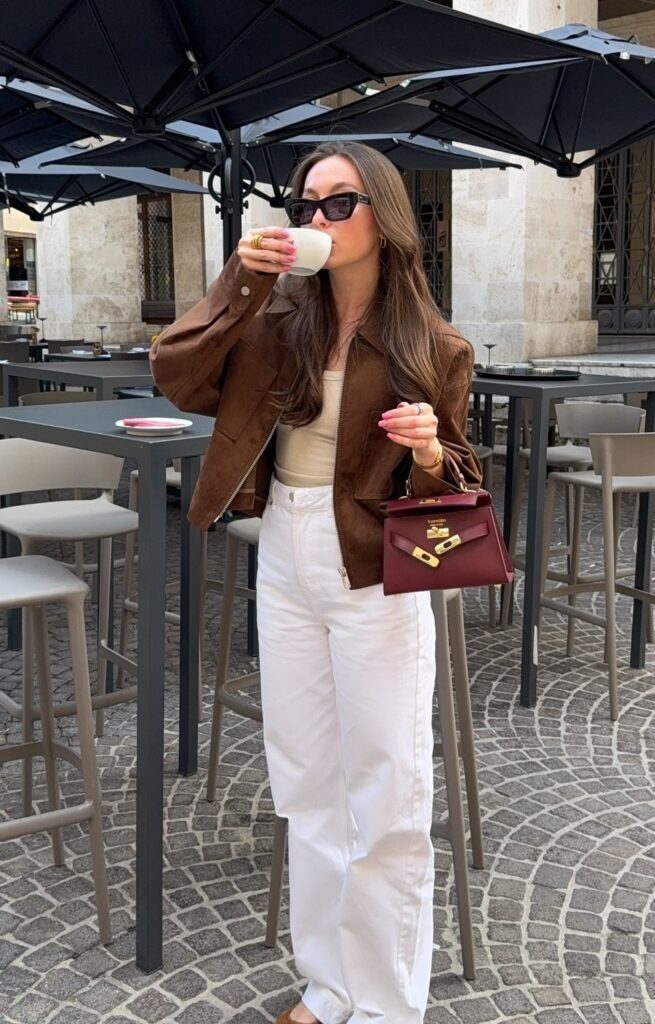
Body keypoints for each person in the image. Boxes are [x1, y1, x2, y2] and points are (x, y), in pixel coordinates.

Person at [151, 141, 481, 1024]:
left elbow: (454, 483)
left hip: (374, 563)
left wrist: (423, 449)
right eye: (308, 204)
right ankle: (328, 986)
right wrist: (239, 281)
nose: (319, 220)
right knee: (305, 781)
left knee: (386, 786)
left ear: (383, 215)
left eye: (341, 204)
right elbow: (176, 372)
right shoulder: (274, 318)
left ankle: (382, 1005)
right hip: (285, 547)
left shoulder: (433, 342)